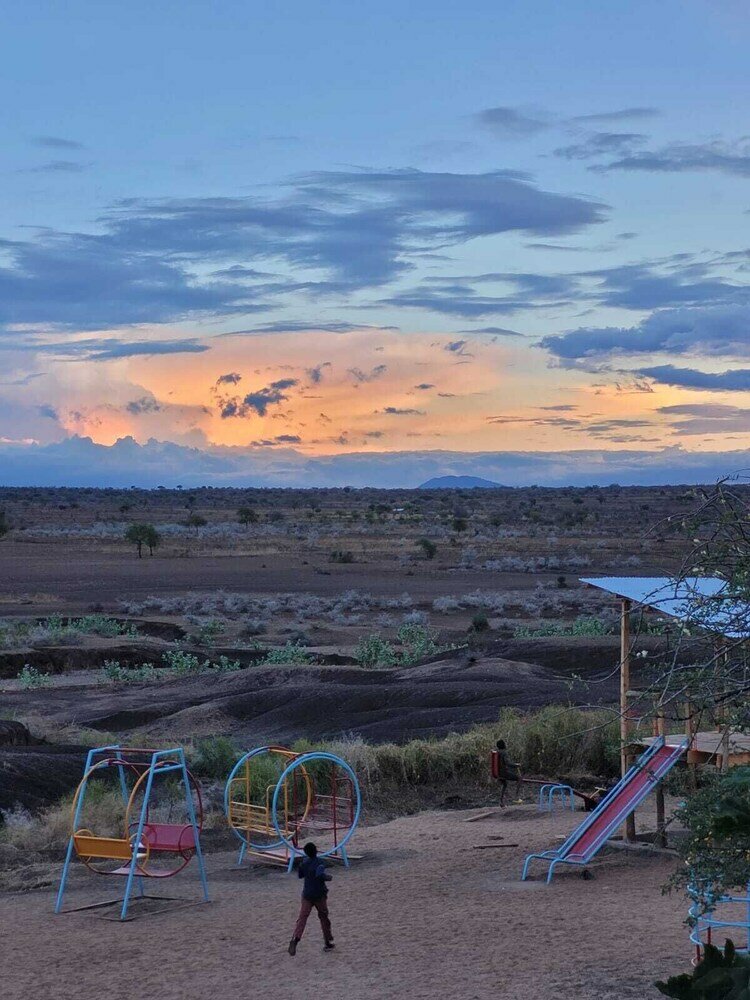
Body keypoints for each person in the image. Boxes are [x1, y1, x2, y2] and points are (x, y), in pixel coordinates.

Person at [288, 842, 334, 955]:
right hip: (319, 894)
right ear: (316, 851)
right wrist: (328, 877)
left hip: (307, 895)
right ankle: (327, 941)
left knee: (302, 918)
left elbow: (300, 875)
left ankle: (295, 940)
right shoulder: (319, 862)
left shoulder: (304, 862)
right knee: (324, 918)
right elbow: (320, 875)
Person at [495, 739, 522, 806]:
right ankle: (516, 797)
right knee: (519, 778)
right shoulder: (504, 752)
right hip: (503, 773)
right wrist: (516, 765)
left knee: (505, 784)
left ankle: (501, 802)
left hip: (498, 773)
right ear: (503, 745)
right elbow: (507, 763)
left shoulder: (497, 752)